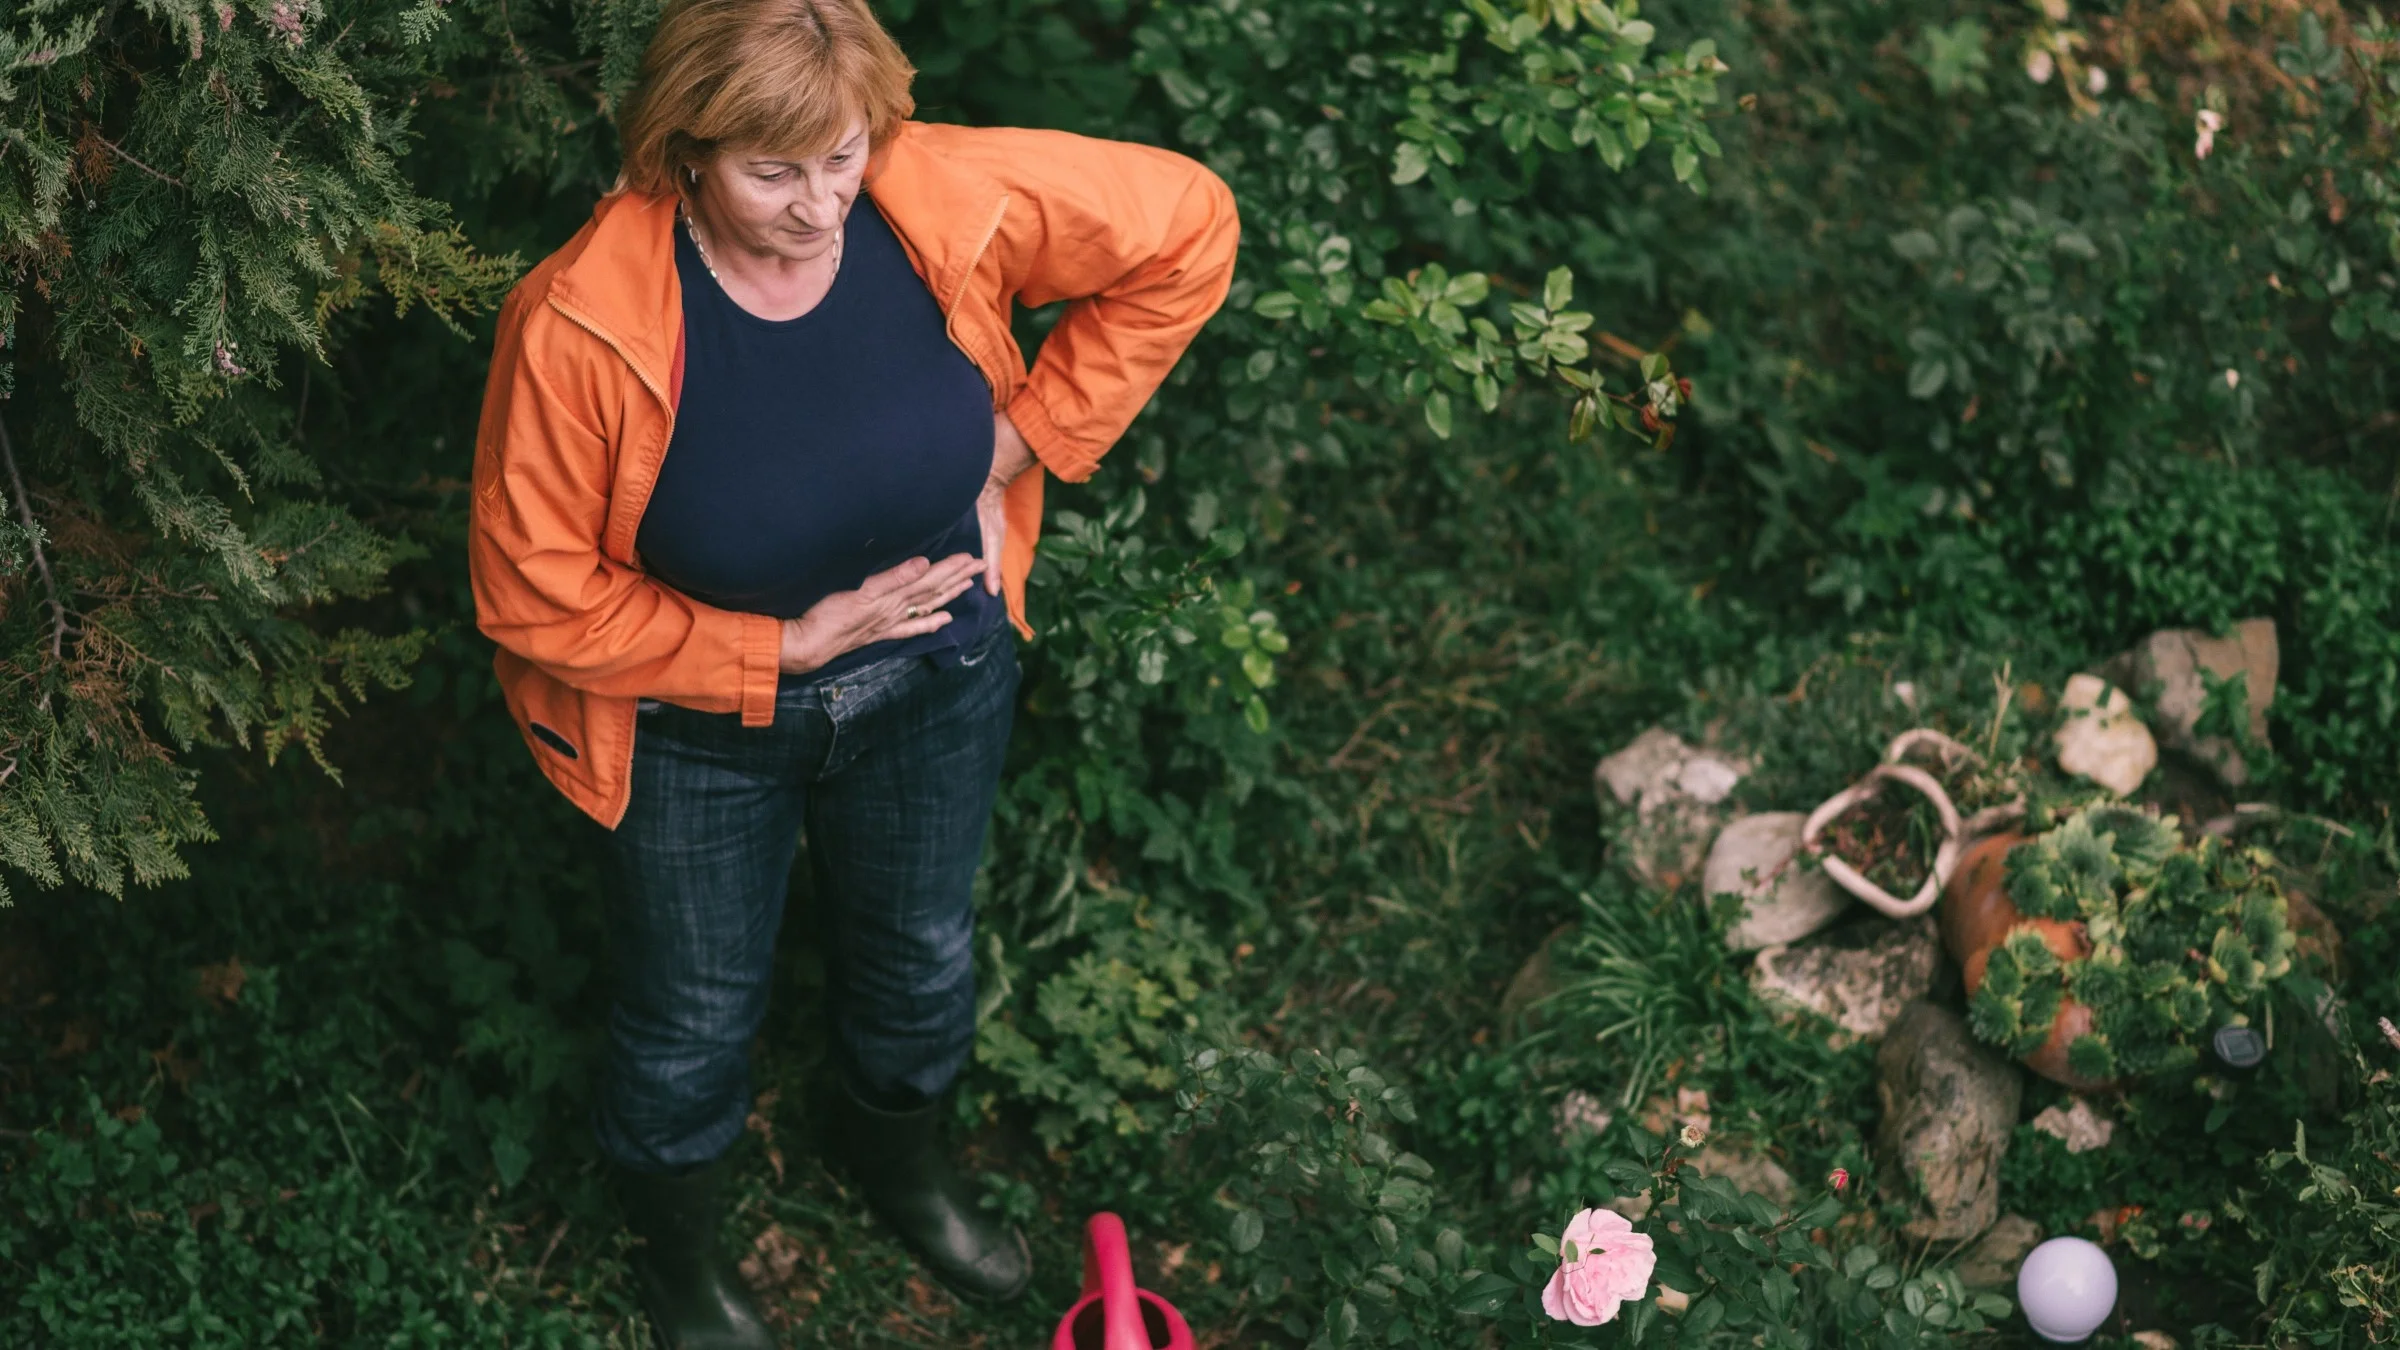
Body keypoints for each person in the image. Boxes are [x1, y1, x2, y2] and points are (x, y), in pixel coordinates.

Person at [465, 0, 1238, 1341]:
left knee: (922, 952)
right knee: (693, 1012)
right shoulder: (581, 319)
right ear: (685, 149)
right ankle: (682, 1258)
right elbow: (533, 591)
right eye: (772, 171)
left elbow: (1187, 223)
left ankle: (904, 1167)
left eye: (841, 155)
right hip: (694, 729)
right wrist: (781, 647)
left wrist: (1024, 438)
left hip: (942, 674)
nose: (820, 205)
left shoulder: (936, 192)